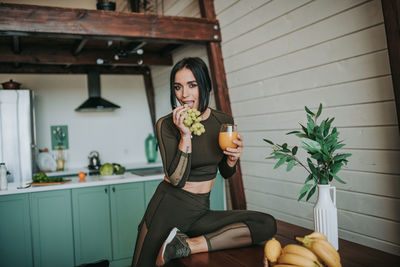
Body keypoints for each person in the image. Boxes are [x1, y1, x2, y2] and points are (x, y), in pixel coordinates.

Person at [131, 57, 277, 267]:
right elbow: (176, 179)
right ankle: (177, 244)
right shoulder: (166, 124)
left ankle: (186, 245)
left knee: (265, 224)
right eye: (178, 87)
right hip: (167, 209)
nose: (184, 94)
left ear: (205, 85)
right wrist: (186, 135)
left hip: (201, 210)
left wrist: (233, 159)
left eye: (192, 85)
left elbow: (226, 173)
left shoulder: (223, 121)